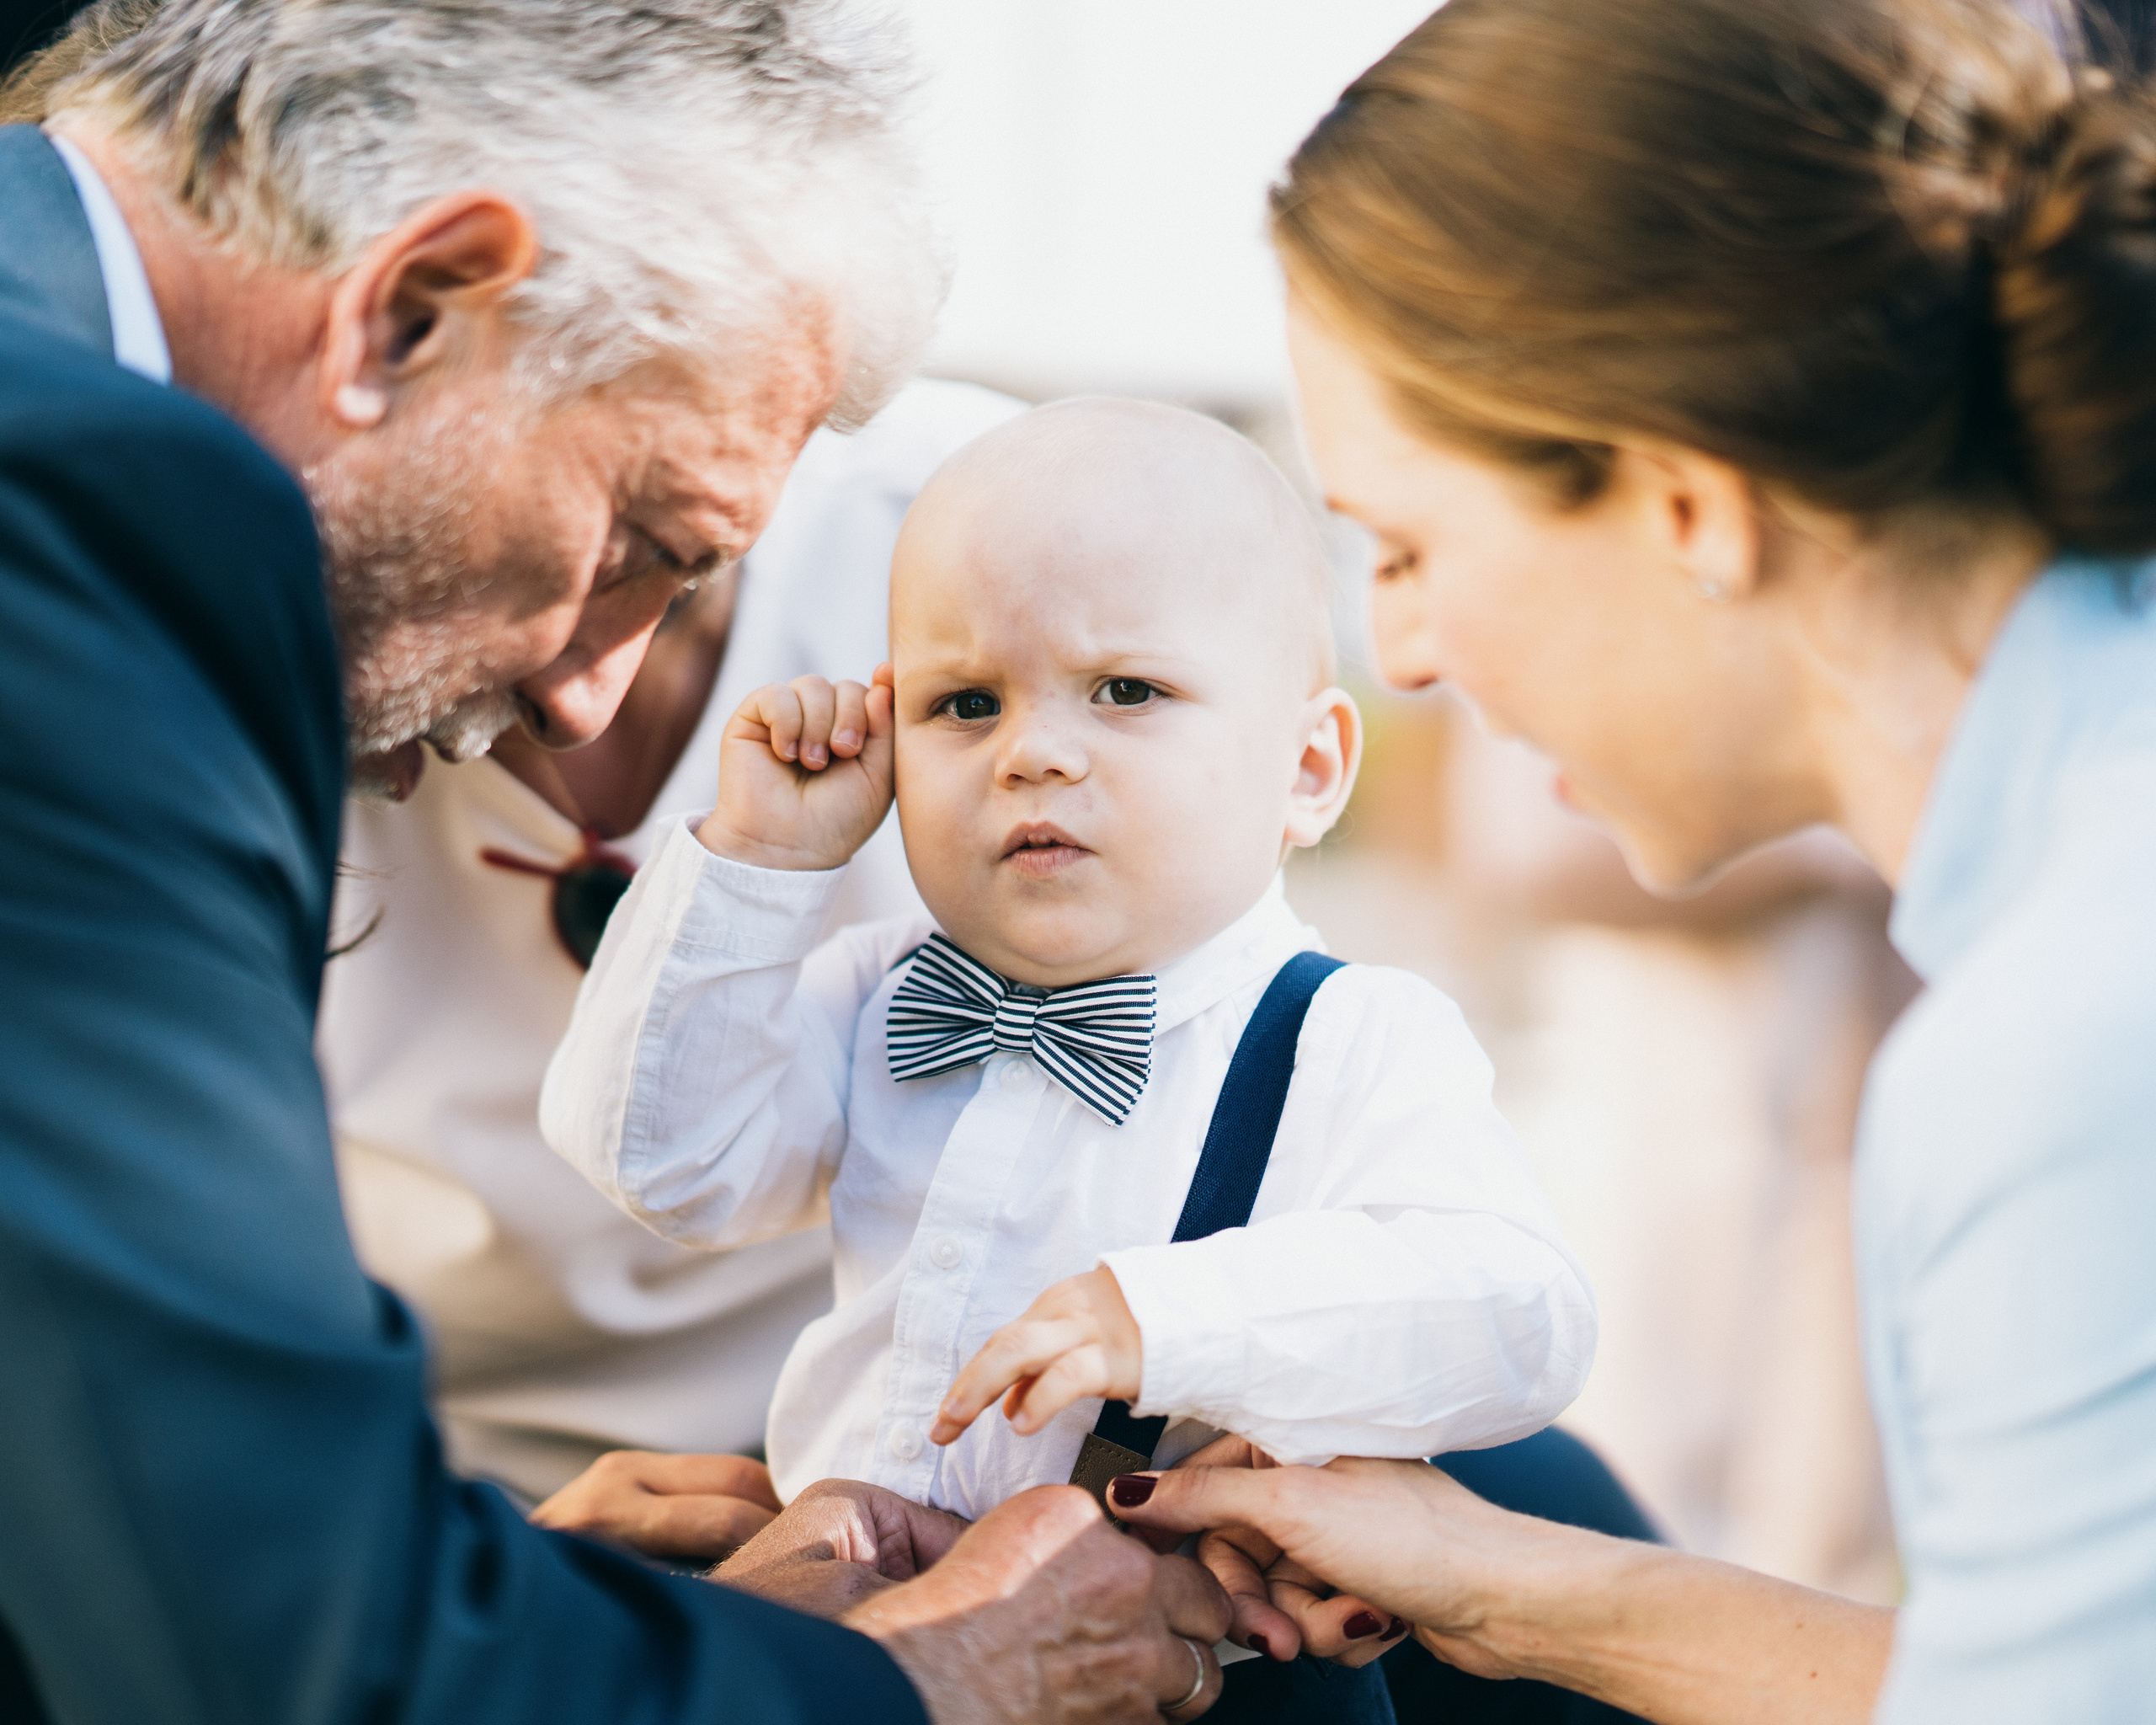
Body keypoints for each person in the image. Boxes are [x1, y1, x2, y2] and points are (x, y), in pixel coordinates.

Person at [0, 2, 1235, 1719]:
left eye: (694, 576)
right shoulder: (69, 520)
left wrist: (498, 1581)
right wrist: (935, 1678)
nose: (585, 692)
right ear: (420, 303)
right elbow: (277, 1648)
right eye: (638, 537)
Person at [1105, 0, 2156, 1717]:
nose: (1407, 649)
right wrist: (1526, 1594)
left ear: (1684, 502)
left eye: (1407, 542)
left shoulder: (2057, 1053)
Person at [540, 399, 1602, 1716]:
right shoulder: (874, 995)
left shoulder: (1348, 1032)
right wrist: (755, 869)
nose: (1033, 751)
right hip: (879, 1647)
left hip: (1205, 1667)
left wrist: (1166, 1318)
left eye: (1127, 692)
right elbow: (665, 1166)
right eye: (963, 704)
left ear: (1309, 768)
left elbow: (1520, 1311)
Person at [321, 378, 1022, 1511]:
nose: (580, 702)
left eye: (670, 560)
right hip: (416, 1480)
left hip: (913, 1454)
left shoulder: (975, 520)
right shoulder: (227, 588)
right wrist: (500, 1560)